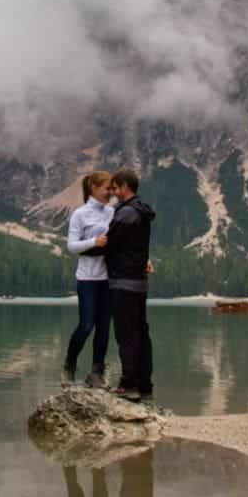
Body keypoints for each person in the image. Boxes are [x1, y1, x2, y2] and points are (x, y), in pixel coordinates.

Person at [104, 168, 155, 401]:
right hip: (138, 282)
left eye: (115, 188)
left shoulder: (125, 213)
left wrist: (88, 248)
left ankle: (129, 385)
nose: (112, 192)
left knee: (126, 335)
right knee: (141, 332)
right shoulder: (141, 211)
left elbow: (111, 242)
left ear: (125, 187)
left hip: (123, 281)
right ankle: (145, 385)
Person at [63, 170, 114, 385]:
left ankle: (96, 373)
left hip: (108, 279)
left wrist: (143, 260)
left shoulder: (113, 212)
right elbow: (72, 246)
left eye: (113, 188)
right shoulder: (80, 214)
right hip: (87, 279)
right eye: (107, 188)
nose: (111, 192)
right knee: (86, 325)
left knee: (104, 327)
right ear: (94, 188)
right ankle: (69, 365)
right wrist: (95, 242)